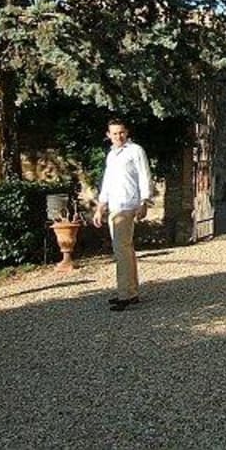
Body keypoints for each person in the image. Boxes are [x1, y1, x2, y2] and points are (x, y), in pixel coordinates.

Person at [92, 118, 152, 311]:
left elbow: (144, 176)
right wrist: (100, 207)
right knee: (125, 250)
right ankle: (130, 291)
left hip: (128, 205)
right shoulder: (111, 155)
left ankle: (125, 294)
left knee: (121, 249)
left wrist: (144, 202)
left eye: (121, 132)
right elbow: (107, 183)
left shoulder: (135, 151)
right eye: (115, 133)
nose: (118, 136)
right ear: (108, 135)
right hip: (115, 206)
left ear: (127, 132)